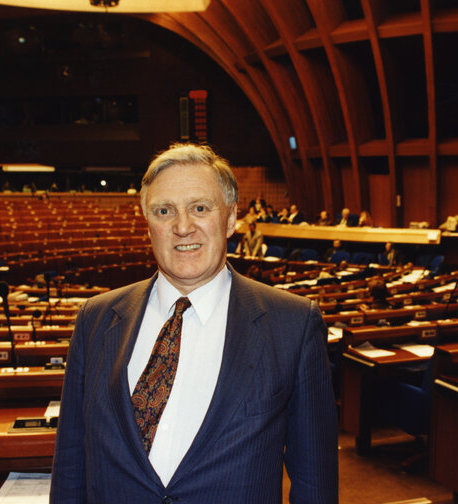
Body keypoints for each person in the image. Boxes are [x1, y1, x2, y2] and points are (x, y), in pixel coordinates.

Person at [51, 143, 338, 503]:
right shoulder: (96, 318)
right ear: (147, 221)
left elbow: (315, 482)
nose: (182, 227)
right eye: (164, 210)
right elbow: (70, 464)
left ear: (231, 218)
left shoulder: (293, 324)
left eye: (200, 208)